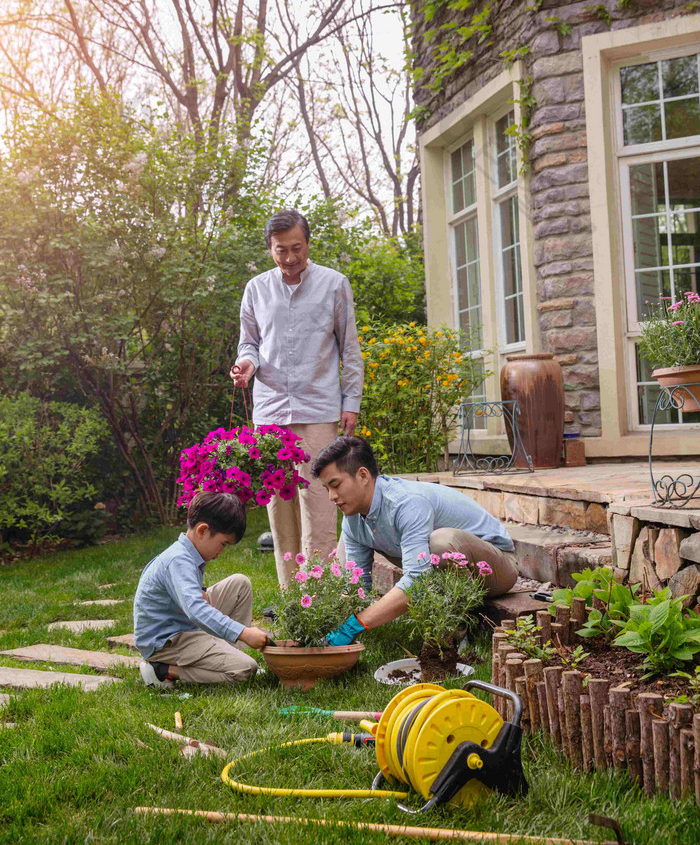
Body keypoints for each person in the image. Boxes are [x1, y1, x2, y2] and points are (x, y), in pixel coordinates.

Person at [231, 208, 363, 586]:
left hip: (318, 411)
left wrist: (350, 402)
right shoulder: (257, 288)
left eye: (296, 249)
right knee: (280, 511)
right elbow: (249, 343)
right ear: (269, 249)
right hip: (270, 412)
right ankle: (293, 598)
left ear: (308, 243)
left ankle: (318, 597)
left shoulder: (334, 284)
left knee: (320, 507)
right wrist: (246, 365)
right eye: (280, 251)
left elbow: (349, 348)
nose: (289, 259)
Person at [312, 435, 519, 646]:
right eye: (326, 489)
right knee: (427, 552)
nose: (331, 496)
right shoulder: (353, 518)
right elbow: (357, 586)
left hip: (496, 567)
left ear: (363, 475)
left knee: (440, 545)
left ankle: (458, 636)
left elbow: (417, 580)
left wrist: (357, 624)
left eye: (336, 485)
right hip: (446, 565)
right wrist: (334, 629)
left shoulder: (406, 503)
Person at [133, 490, 270, 687]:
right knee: (245, 670)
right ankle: (161, 670)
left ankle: (228, 655)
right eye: (222, 544)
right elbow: (196, 610)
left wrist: (202, 590)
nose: (221, 552)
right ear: (202, 530)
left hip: (182, 624)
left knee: (240, 584)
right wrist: (243, 632)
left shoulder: (186, 554)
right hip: (166, 641)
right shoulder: (178, 559)